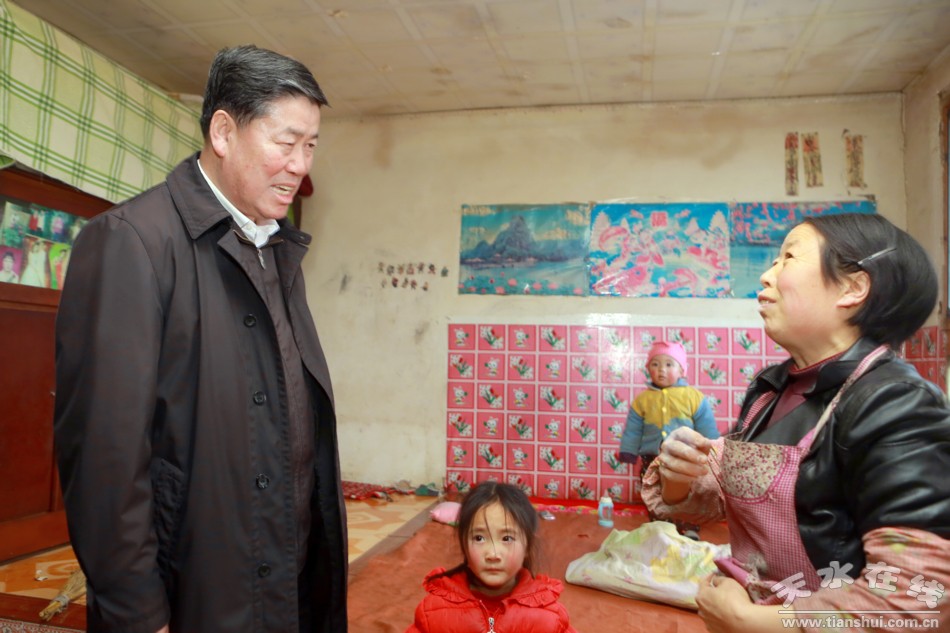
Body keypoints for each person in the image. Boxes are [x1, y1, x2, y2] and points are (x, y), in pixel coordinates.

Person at [53, 45, 347, 633]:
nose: (299, 165)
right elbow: (104, 459)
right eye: (286, 143)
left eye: (311, 146)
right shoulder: (131, 242)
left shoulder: (272, 245)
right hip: (193, 588)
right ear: (223, 132)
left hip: (275, 572)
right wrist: (137, 612)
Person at [642, 213, 950, 632]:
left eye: (788, 258)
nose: (766, 275)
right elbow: (726, 497)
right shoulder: (769, 390)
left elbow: (917, 598)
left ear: (853, 288)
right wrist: (680, 475)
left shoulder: (896, 402)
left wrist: (748, 621)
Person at [406, 482, 577, 633]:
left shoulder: (549, 617)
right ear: (464, 545)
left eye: (507, 538)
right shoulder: (434, 611)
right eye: (479, 538)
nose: (493, 554)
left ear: (528, 546)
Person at [619, 340, 719, 539]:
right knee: (654, 491)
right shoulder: (642, 400)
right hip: (651, 458)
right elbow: (633, 429)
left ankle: (689, 527)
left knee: (689, 491)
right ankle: (660, 526)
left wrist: (713, 450)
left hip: (685, 457)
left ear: (681, 370)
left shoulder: (693, 397)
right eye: (655, 364)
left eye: (668, 364)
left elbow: (706, 426)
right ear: (648, 369)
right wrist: (628, 450)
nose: (661, 370)